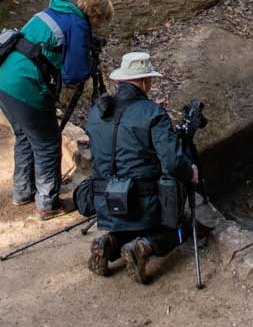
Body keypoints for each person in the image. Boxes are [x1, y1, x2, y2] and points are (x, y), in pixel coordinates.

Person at [0, 0, 114, 218]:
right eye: (100, 24)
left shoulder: (55, 10)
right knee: (47, 141)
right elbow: (74, 76)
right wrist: (85, 54)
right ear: (95, 16)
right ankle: (47, 203)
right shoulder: (79, 25)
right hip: (24, 86)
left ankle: (23, 191)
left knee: (25, 135)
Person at [84, 51, 198, 284]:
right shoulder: (152, 113)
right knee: (180, 228)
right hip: (144, 200)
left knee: (129, 225)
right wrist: (191, 172)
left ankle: (110, 243)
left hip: (105, 201)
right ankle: (144, 247)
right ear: (145, 82)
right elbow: (173, 162)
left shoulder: (97, 112)